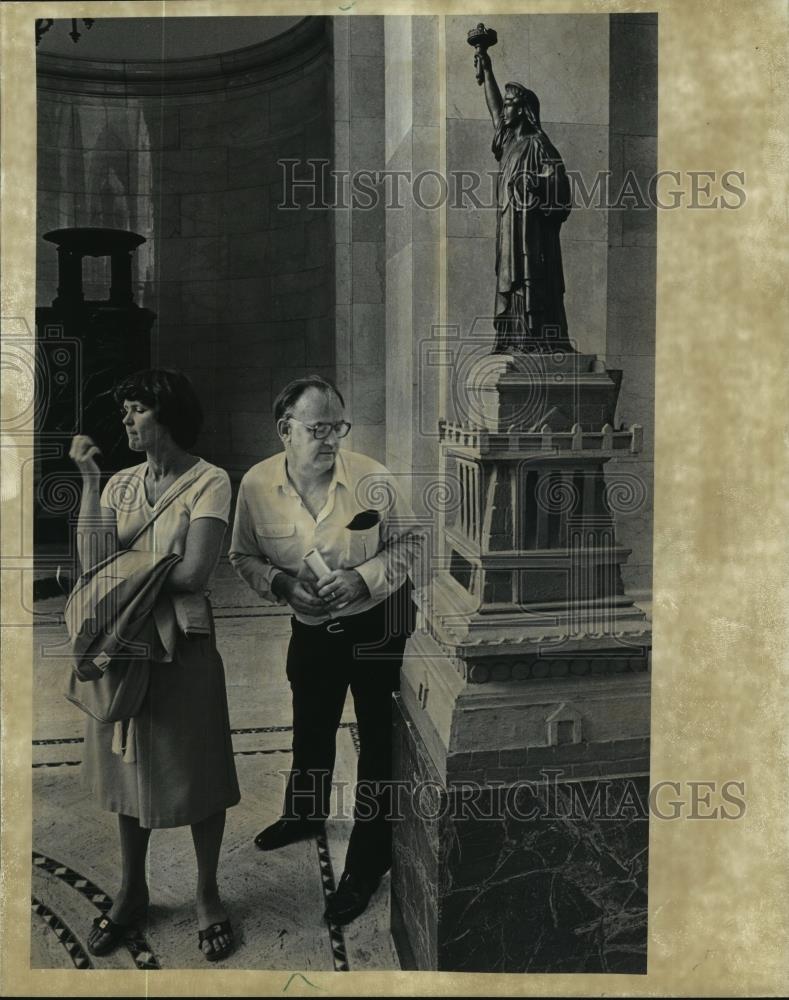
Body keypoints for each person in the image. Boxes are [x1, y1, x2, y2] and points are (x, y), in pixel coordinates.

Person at [229, 375, 418, 925]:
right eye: (318, 428)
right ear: (285, 430)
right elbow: (244, 556)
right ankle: (305, 814)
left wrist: (364, 579)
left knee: (379, 745)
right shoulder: (257, 485)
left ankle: (368, 862)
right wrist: (283, 586)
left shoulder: (373, 479)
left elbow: (414, 542)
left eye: (339, 426)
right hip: (311, 627)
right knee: (310, 725)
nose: (332, 438)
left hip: (380, 623)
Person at [68, 368, 240, 962]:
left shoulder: (210, 481)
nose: (126, 421)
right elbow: (93, 561)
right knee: (127, 766)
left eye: (135, 410)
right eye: (125, 413)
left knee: (199, 769)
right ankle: (131, 889)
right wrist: (90, 482)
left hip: (182, 644)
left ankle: (207, 893)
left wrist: (126, 570)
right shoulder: (117, 484)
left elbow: (196, 573)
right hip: (124, 646)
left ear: (166, 414)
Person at [476, 47, 573, 353]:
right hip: (508, 232)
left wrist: (537, 184)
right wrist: (487, 70)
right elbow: (494, 112)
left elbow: (560, 187)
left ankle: (534, 339)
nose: (504, 110)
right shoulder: (508, 142)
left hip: (530, 237)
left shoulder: (538, 144)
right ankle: (513, 339)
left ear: (521, 110)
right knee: (510, 283)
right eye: (505, 105)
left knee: (529, 285)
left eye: (509, 106)